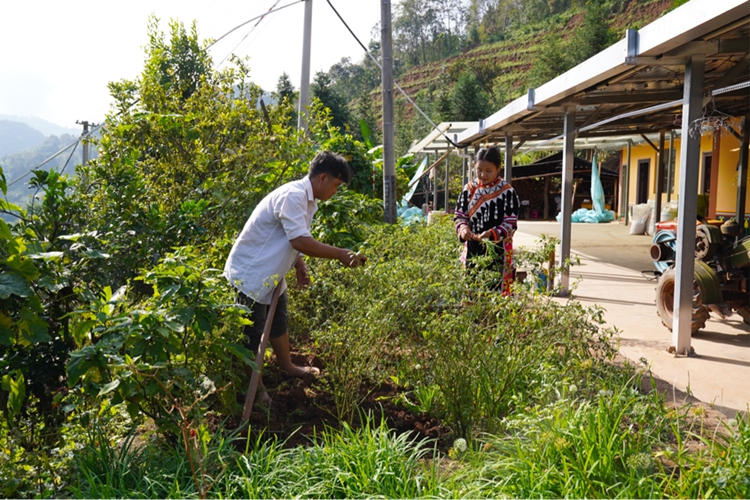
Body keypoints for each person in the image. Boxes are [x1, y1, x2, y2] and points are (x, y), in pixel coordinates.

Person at [224, 151, 367, 405]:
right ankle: (255, 392)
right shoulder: (293, 196)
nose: (336, 191)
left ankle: (287, 366)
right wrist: (340, 254)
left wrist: (298, 263)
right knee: (251, 334)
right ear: (323, 178)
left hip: (271, 273)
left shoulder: (307, 199)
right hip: (251, 274)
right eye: (336, 185)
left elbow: (291, 235)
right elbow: (299, 239)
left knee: (279, 320)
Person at [454, 145, 520, 294]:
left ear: (498, 168)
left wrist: (491, 233)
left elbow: (510, 222)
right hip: (473, 248)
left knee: (496, 289)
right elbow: (460, 215)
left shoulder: (507, 192)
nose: (483, 175)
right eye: (479, 170)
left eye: (488, 171)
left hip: (498, 250)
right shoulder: (468, 190)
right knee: (472, 287)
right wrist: (463, 229)